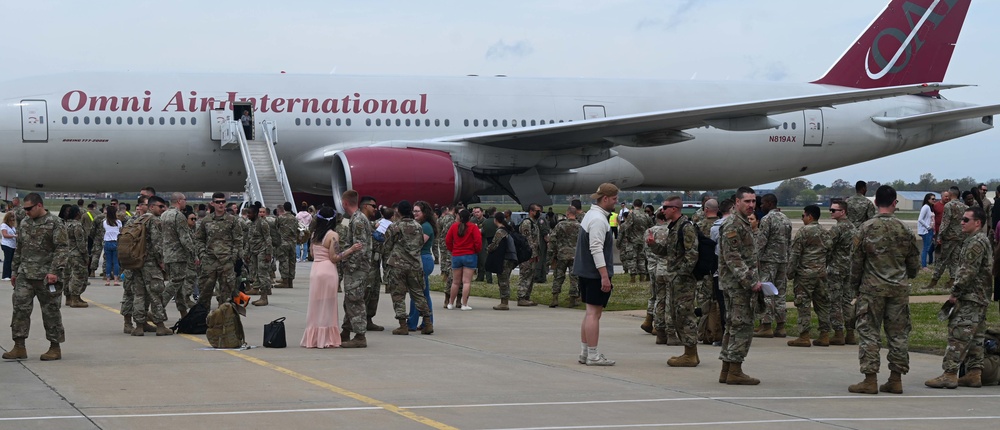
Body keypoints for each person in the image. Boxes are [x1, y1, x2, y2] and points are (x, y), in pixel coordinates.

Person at [848, 185, 920, 395]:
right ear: (895, 203)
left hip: (872, 289)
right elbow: (914, 263)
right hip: (898, 289)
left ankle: (870, 379)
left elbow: (856, 263)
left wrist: (854, 287)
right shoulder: (904, 229)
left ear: (875, 203)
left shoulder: (865, 228)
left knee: (869, 333)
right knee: (898, 335)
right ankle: (895, 379)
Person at [925, 206, 992, 388]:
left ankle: (949, 374)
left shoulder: (976, 242)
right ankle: (974, 373)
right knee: (977, 337)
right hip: (980, 296)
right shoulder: (979, 239)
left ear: (977, 223)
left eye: (965, 220)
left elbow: (967, 272)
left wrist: (955, 293)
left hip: (970, 296)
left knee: (958, 334)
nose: (961, 222)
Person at [2, 193, 68, 361]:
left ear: (39, 205)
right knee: (20, 309)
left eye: (29, 208)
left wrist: (54, 271)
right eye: (24, 209)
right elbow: (20, 248)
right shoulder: (24, 223)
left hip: (46, 276)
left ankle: (54, 347)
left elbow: (61, 248)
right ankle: (19, 346)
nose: (26, 212)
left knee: (50, 311)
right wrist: (15, 271)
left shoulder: (55, 223)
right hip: (25, 274)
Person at [718, 186, 763, 385]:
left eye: (753, 201)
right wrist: (751, 281)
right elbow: (732, 258)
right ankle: (735, 370)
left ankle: (727, 369)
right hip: (738, 285)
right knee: (741, 326)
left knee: (733, 326)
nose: (751, 205)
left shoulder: (743, 223)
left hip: (737, 284)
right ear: (737, 202)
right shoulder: (733, 224)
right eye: (747, 201)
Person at [649, 195, 700, 367]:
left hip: (683, 280)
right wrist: (653, 245)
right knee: (677, 315)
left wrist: (680, 275)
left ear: (674, 209)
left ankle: (691, 354)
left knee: (685, 315)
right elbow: (670, 253)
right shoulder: (674, 227)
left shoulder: (686, 227)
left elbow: (692, 255)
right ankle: (688, 352)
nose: (662, 210)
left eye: (665, 207)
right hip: (675, 278)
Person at [301, 207, 362, 348]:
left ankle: (314, 337)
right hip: (328, 270)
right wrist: (351, 249)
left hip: (316, 270)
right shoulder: (333, 235)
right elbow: (334, 257)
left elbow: (311, 253)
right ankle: (327, 337)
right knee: (328, 305)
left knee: (316, 304)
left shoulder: (314, 234)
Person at [573, 183, 619, 366]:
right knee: (594, 314)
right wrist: (604, 275)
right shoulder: (599, 220)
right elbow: (596, 248)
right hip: (594, 273)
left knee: (589, 313)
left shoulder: (590, 215)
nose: (616, 202)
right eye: (615, 199)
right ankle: (593, 354)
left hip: (585, 271)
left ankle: (585, 352)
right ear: (605, 199)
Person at [785, 205, 833, 347]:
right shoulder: (825, 232)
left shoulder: (803, 232)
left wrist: (790, 272)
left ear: (810, 216)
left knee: (803, 304)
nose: (802, 218)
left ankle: (804, 336)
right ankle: (824, 335)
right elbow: (829, 252)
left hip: (805, 274)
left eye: (803, 215)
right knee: (822, 304)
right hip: (821, 273)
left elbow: (795, 254)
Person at [383, 200, 433, 335]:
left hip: (398, 265)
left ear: (398, 211)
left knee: (398, 295)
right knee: (418, 294)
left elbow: (387, 246)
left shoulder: (395, 226)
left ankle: (403, 325)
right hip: (415, 264)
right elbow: (420, 243)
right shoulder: (418, 226)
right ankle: (428, 322)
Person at [194, 193, 243, 308]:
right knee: (204, 294)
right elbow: (199, 239)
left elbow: (238, 240)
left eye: (223, 202)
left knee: (226, 295)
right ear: (212, 204)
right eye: (218, 202)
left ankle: (224, 322)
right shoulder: (206, 221)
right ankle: (202, 321)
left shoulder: (232, 220)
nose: (221, 204)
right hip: (209, 261)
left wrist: (234, 256)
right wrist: (202, 254)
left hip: (226, 261)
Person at [755, 194, 791, 338]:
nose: (761, 206)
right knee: (780, 293)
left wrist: (755, 258)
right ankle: (781, 326)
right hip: (782, 259)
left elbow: (761, 241)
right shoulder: (786, 219)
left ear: (769, 203)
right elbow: (788, 241)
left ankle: (766, 325)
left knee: (767, 292)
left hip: (768, 261)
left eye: (763, 203)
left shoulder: (766, 219)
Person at [160, 193, 200, 319]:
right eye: (184, 200)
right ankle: (158, 308)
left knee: (179, 285)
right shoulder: (179, 216)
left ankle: (183, 313)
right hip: (178, 255)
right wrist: (194, 254)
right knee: (175, 282)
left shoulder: (164, 214)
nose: (185, 202)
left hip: (167, 254)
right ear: (179, 201)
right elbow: (185, 238)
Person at [827, 199, 857, 345]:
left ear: (843, 211)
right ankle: (850, 332)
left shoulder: (837, 229)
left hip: (836, 269)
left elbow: (827, 247)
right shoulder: (853, 228)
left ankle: (838, 332)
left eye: (834, 210)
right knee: (847, 301)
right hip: (849, 268)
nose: (831, 212)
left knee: (835, 301)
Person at [929, 186, 967, 290]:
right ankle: (952, 279)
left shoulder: (948, 206)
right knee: (955, 259)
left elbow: (945, 222)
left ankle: (934, 280)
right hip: (960, 236)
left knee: (942, 259)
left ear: (950, 194)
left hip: (949, 237)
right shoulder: (964, 206)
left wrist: (940, 235)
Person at [408, 201, 437, 330]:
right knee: (424, 294)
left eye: (417, 211)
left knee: (416, 293)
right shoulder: (421, 225)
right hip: (421, 260)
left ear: (424, 212)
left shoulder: (425, 227)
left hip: (423, 260)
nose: (414, 213)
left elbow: (418, 244)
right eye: (413, 211)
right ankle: (427, 322)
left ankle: (412, 323)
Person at [445, 208, 482, 310]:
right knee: (466, 282)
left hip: (456, 255)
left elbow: (448, 240)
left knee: (455, 282)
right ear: (469, 217)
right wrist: (476, 251)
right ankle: (464, 304)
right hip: (470, 255)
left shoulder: (454, 226)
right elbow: (478, 241)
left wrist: (453, 250)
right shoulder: (473, 227)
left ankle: (450, 303)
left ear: (459, 217)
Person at [549, 206, 581, 308]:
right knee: (574, 277)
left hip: (561, 254)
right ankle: (573, 299)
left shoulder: (560, 225)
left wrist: (552, 252)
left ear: (567, 214)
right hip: (575, 256)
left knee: (558, 276)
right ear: (575, 214)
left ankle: (555, 298)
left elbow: (552, 239)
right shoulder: (580, 226)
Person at [486, 212, 518, 310]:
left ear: (496, 220)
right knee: (505, 279)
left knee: (503, 280)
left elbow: (494, 245)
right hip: (510, 257)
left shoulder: (500, 232)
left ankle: (504, 302)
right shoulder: (507, 229)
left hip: (504, 258)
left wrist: (487, 249)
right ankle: (505, 300)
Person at [61, 206, 90, 308]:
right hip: (76, 254)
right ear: (77, 214)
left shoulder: (65, 225)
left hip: (67, 254)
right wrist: (86, 255)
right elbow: (80, 243)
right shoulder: (77, 226)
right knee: (79, 276)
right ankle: (75, 298)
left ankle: (68, 298)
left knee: (67, 276)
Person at [517, 204, 542, 306]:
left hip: (533, 254)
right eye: (537, 211)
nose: (539, 213)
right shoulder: (527, 223)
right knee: (525, 275)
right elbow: (528, 240)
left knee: (530, 276)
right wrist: (532, 254)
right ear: (531, 211)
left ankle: (527, 296)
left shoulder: (534, 223)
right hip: (527, 254)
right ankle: (521, 297)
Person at [103, 205, 123, 286]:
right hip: (116, 242)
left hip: (107, 243)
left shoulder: (105, 222)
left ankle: (107, 280)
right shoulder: (118, 222)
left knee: (108, 262)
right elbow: (120, 230)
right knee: (116, 262)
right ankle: (116, 280)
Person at [917, 193, 936, 269]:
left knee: (929, 247)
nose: (934, 200)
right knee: (925, 248)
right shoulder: (925, 207)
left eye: (935, 199)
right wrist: (928, 227)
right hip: (926, 231)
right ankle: (924, 265)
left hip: (931, 230)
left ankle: (930, 262)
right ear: (928, 199)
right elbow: (920, 219)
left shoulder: (930, 207)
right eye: (932, 199)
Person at [1, 212, 16, 280]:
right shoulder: (4, 225)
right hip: (6, 245)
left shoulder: (12, 226)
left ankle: (10, 274)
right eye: (11, 218)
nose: (13, 220)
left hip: (13, 245)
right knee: (7, 260)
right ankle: (5, 275)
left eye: (13, 218)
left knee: (11, 261)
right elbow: (5, 235)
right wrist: (14, 236)